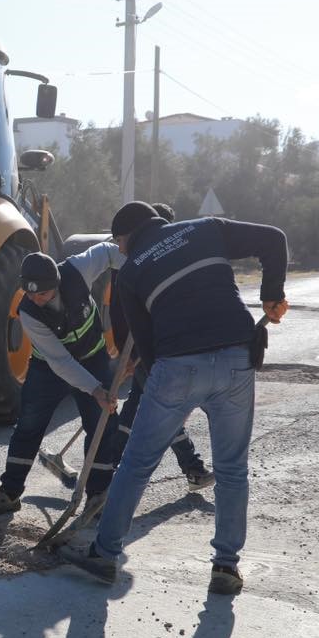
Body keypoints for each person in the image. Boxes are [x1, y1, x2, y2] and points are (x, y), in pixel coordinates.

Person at [70, 201, 288, 596]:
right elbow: (274, 239)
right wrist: (272, 293)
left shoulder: (131, 272)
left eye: (119, 242)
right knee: (232, 468)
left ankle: (103, 555)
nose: (119, 251)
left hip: (177, 366)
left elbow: (148, 349)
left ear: (129, 236)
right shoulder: (206, 229)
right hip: (238, 357)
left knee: (136, 463)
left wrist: (162, 393)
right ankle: (225, 567)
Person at [0, 244, 123, 518]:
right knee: (28, 426)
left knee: (102, 424)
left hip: (93, 357)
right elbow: (61, 363)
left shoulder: (77, 270)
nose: (35, 299)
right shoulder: (28, 312)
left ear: (56, 283)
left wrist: (136, 269)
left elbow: (107, 251)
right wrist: (94, 389)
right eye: (29, 294)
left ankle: (98, 495)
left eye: (41, 294)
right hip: (48, 368)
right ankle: (8, 494)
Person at [102, 203, 214, 492]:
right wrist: (129, 353)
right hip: (144, 349)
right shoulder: (131, 257)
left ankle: (108, 469)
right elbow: (118, 307)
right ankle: (108, 472)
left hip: (157, 350)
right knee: (158, 409)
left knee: (149, 408)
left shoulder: (163, 253)